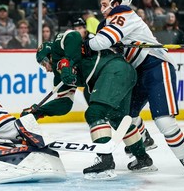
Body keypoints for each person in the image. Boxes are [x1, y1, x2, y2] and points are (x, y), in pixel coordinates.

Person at [84, 0, 184, 176]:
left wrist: (86, 43)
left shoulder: (124, 14)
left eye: (105, 3)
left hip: (156, 66)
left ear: (117, 1)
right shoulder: (109, 22)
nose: (101, 8)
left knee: (163, 120)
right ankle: (144, 140)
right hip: (137, 72)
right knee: (127, 115)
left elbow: (101, 42)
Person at [22, 28, 156, 179]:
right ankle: (143, 159)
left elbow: (73, 36)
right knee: (117, 118)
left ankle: (105, 160)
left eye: (44, 63)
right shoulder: (59, 76)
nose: (46, 69)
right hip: (123, 73)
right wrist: (40, 111)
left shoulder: (58, 48)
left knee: (94, 113)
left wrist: (68, 63)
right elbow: (64, 104)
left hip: (113, 69)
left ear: (49, 56)